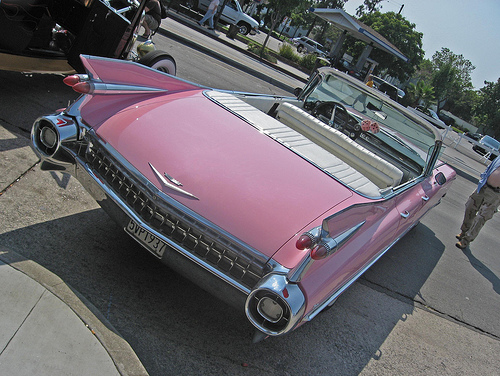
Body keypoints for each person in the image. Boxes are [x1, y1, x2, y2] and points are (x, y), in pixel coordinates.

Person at [456, 154, 500, 249]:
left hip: (495, 194)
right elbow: (490, 167)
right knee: (469, 207)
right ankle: (464, 232)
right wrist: (483, 178)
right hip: (484, 186)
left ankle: (466, 240)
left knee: (481, 217)